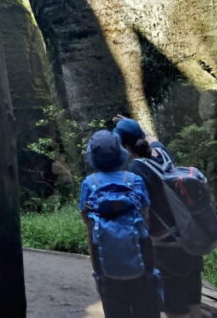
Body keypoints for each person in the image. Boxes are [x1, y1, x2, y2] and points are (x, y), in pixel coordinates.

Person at [115, 117, 204, 318]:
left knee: (175, 310)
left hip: (165, 245)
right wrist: (133, 123)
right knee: (194, 305)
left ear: (126, 147)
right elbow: (151, 136)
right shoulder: (163, 153)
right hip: (189, 236)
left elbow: (142, 209)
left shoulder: (137, 168)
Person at [80, 129, 160, 318]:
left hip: (107, 268)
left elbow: (90, 230)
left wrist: (97, 273)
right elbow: (146, 220)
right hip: (141, 264)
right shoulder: (134, 180)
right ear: (120, 153)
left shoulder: (89, 184)